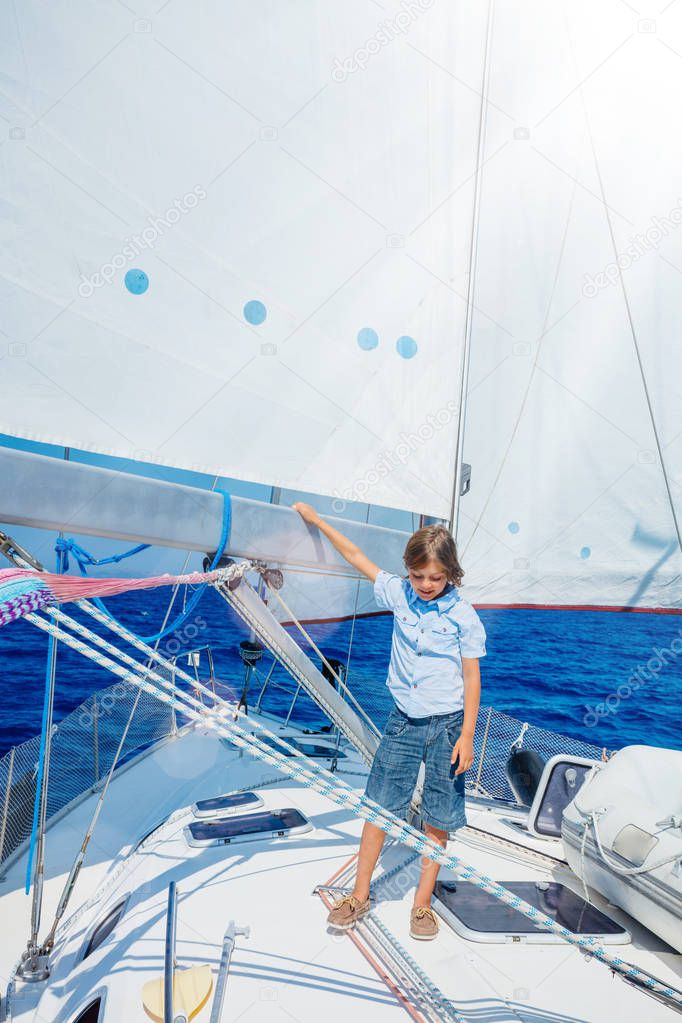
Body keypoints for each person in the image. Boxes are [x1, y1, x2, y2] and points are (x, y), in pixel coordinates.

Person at [292, 502, 486, 941]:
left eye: (436, 578)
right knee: (379, 808)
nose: (426, 585)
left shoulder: (463, 617)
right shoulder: (398, 593)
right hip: (402, 723)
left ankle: (421, 904)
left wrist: (468, 736)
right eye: (418, 576)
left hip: (448, 728)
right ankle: (359, 894)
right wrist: (319, 522)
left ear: (450, 574)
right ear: (408, 571)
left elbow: (471, 677)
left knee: (438, 818)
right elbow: (357, 557)